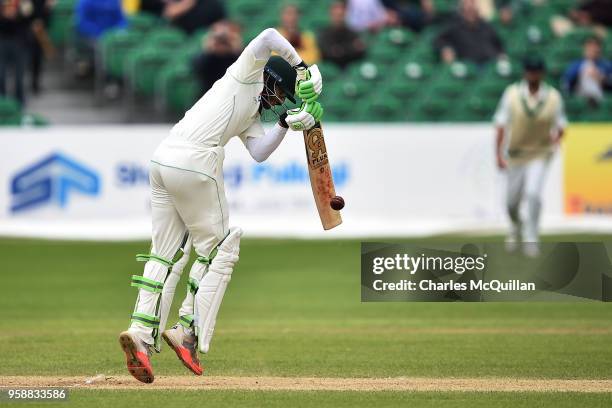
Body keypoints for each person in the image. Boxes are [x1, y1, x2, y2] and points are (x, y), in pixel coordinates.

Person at [118, 27, 324, 384]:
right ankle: (187, 331)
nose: (281, 102)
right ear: (272, 80)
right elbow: (269, 36)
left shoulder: (250, 114)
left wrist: (286, 125)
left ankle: (140, 334)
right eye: (282, 95)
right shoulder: (246, 74)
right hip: (196, 163)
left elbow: (258, 153)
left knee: (166, 255)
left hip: (163, 160)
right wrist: (302, 66)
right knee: (221, 250)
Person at [494, 57, 567, 257]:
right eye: (530, 71)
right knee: (511, 203)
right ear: (525, 73)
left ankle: (531, 238)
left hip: (540, 153)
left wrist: (555, 140)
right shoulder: (511, 94)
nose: (533, 75)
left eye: (536, 71)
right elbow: (500, 124)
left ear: (542, 73)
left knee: (534, 193)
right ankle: (516, 226)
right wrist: (498, 154)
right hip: (516, 153)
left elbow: (561, 125)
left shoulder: (553, 96)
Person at [434, 0, 504, 65]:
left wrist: (500, 55)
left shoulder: (486, 26)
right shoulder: (455, 27)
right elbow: (439, 40)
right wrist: (446, 48)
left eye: (472, 10)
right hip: (467, 66)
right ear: (462, 11)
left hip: (489, 64)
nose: (470, 13)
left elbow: (497, 44)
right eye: (468, 10)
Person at [193, 21, 242, 96]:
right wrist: (208, 49)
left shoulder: (236, 55)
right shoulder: (206, 57)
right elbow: (198, 70)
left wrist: (236, 48)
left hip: (235, 93)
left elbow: (244, 69)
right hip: (209, 93)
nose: (222, 41)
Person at [562, 36, 612, 106]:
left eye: (595, 47)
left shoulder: (606, 65)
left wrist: (602, 78)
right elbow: (566, 82)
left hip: (602, 97)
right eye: (590, 47)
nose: (592, 49)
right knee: (587, 67)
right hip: (580, 96)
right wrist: (581, 72)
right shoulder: (576, 64)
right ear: (585, 49)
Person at [0, 0, 32, 106]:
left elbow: (30, 19)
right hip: (3, 41)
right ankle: (2, 102)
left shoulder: (24, 3)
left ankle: (20, 102)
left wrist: (19, 15)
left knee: (19, 77)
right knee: (1, 75)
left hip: (20, 42)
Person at [318, 1, 366, 69]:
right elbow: (328, 53)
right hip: (330, 69)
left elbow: (360, 50)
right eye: (336, 15)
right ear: (331, 15)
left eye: (341, 15)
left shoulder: (352, 33)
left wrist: (340, 50)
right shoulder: (324, 34)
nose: (338, 18)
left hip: (350, 68)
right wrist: (351, 48)